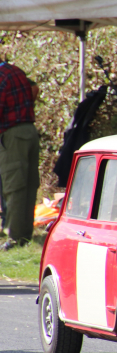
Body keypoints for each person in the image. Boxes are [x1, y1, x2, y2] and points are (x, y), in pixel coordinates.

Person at [0, 61, 40, 249]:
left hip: (12, 134)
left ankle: (14, 238)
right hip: (29, 131)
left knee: (14, 187)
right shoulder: (15, 70)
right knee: (29, 186)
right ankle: (25, 235)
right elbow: (34, 89)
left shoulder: (1, 76)